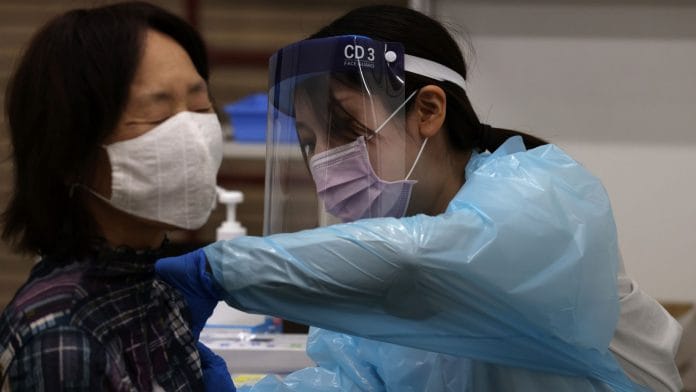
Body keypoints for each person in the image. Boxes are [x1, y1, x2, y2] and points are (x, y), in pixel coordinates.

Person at [156, 5, 683, 391]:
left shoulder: (539, 194)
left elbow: (425, 261)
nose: (323, 162)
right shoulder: (378, 262)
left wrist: (222, 270)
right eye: (311, 141)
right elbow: (353, 382)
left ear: (428, 110)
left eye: (345, 129)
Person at [0, 2, 234, 391]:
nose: (193, 137)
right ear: (69, 151)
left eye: (200, 105)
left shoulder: (151, 282)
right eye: (157, 117)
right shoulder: (65, 341)